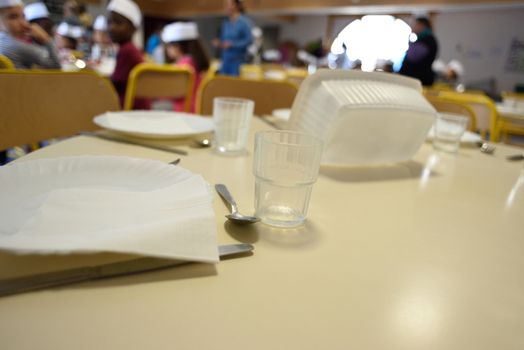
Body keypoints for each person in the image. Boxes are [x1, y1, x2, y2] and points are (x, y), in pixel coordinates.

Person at [162, 21, 210, 113]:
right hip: (195, 107)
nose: (167, 50)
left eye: (168, 46)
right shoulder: (192, 61)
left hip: (184, 110)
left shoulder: (184, 64)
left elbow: (172, 92)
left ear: (177, 46)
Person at [107, 0, 146, 108]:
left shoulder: (127, 50)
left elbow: (115, 85)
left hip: (129, 108)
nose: (111, 27)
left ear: (133, 28)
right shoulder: (131, 48)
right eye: (109, 22)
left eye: (118, 23)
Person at [0, 0, 61, 69]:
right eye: (13, 17)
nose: (23, 23)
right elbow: (56, 67)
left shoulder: (3, 40)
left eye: (23, 16)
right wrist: (47, 40)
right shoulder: (18, 46)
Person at [214, 0, 252, 76]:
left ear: (236, 6)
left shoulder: (244, 22)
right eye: (226, 5)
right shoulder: (225, 23)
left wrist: (233, 44)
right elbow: (223, 40)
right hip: (225, 60)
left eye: (229, 4)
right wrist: (219, 43)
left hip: (237, 61)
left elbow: (249, 40)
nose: (227, 7)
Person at [399, 17, 438, 86]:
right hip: (416, 79)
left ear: (422, 25)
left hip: (419, 80)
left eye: (415, 24)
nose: (413, 27)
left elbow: (411, 57)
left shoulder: (428, 40)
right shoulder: (423, 39)